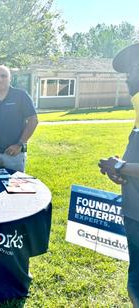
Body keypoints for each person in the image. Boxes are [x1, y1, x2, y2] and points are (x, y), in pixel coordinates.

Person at [98, 43, 139, 307]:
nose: (127, 78)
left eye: (133, 68)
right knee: (135, 276)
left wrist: (120, 166)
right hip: (133, 212)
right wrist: (117, 168)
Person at [0, 65, 38, 172]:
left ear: (10, 78)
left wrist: (20, 144)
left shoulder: (20, 95)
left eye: (4, 76)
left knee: (15, 187)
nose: (0, 79)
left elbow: (33, 120)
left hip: (15, 153)